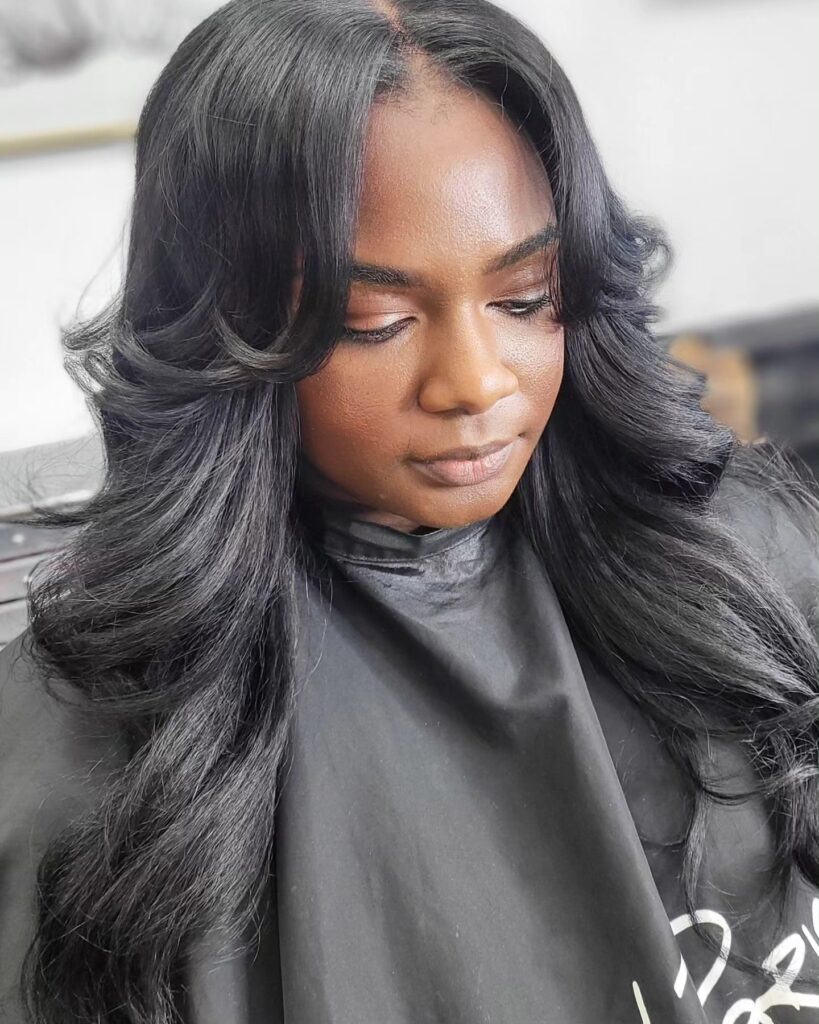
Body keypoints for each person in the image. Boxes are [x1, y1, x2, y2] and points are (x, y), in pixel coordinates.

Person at [1, 0, 819, 1021]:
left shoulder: (754, 566)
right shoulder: (83, 768)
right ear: (229, 332)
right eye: (374, 321)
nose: (476, 383)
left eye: (525, 298)